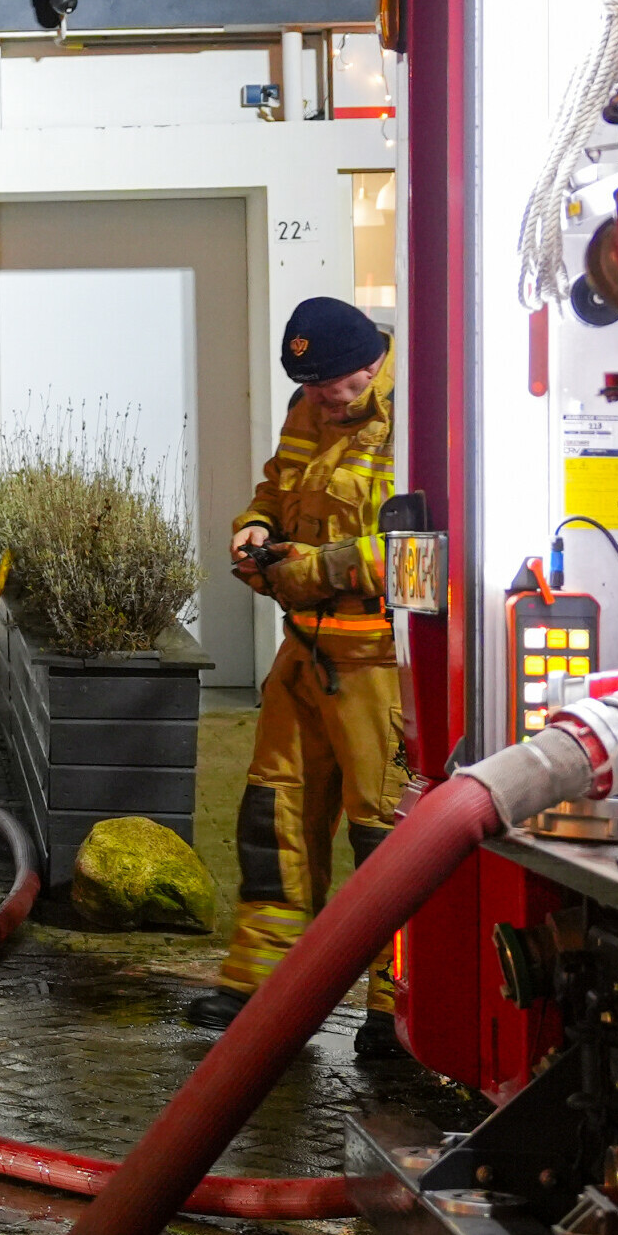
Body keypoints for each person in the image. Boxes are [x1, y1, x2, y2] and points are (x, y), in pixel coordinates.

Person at [194, 295, 408, 1062]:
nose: (322, 401)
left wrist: (310, 570)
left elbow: (420, 548)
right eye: (311, 388)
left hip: (380, 664)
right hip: (306, 650)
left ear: (371, 361)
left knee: (385, 839)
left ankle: (396, 1010)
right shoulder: (307, 408)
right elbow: (278, 488)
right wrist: (256, 529)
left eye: (334, 388)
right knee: (274, 819)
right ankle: (259, 986)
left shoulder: (415, 415)